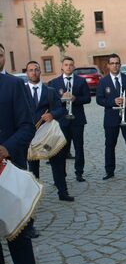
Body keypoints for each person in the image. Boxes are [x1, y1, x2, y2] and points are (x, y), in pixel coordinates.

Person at [0, 44, 58, 264]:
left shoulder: (14, 86)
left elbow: (27, 128)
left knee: (19, 237)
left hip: (10, 169)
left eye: (1, 52)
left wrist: (7, 148)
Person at [25, 61, 73, 202]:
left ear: (40, 72)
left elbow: (61, 109)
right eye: (30, 70)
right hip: (29, 134)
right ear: (27, 73)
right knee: (32, 165)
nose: (34, 72)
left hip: (49, 133)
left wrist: (52, 115)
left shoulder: (50, 91)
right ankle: (34, 195)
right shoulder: (21, 91)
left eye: (36, 69)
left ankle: (62, 192)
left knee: (57, 162)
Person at [96, 54, 126, 180]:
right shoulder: (103, 81)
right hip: (111, 118)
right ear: (108, 65)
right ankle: (109, 171)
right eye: (112, 63)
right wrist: (113, 101)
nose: (115, 65)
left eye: (117, 63)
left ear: (120, 64)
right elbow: (99, 100)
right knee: (110, 145)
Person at [49, 56, 91, 182]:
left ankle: (79, 173)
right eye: (66, 64)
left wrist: (75, 99)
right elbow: (51, 103)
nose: (68, 67)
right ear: (62, 67)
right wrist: (62, 99)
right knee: (61, 149)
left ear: (74, 67)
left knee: (79, 147)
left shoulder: (81, 81)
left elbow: (88, 98)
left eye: (71, 65)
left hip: (77, 119)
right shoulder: (53, 83)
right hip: (61, 120)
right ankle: (62, 174)